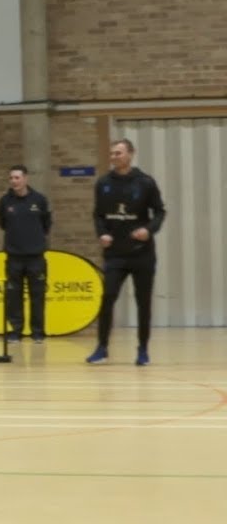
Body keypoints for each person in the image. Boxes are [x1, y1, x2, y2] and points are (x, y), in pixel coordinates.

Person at [88, 138, 166, 366]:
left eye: (119, 153)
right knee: (108, 298)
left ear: (130, 154)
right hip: (115, 255)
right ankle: (102, 348)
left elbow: (160, 212)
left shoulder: (145, 183)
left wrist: (148, 229)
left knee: (143, 302)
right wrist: (101, 233)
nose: (114, 157)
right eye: (112, 154)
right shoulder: (103, 183)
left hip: (142, 254)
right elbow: (98, 215)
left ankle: (143, 350)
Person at [0, 165, 52, 343]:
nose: (14, 181)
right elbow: (3, 224)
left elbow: (46, 225)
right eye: (11, 178)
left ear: (26, 179)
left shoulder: (40, 200)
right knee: (14, 297)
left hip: (36, 258)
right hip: (14, 258)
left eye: (17, 178)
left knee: (37, 296)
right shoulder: (5, 202)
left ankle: (38, 332)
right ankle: (15, 332)